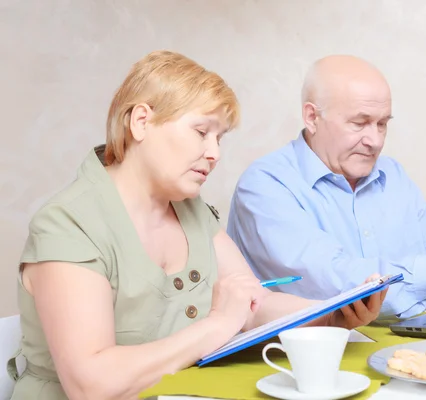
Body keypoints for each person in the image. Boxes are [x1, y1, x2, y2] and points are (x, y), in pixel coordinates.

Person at [7, 51, 386, 400]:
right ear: (142, 122)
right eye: (201, 132)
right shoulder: (67, 224)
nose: (214, 154)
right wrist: (216, 325)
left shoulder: (190, 209)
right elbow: (91, 384)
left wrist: (332, 314)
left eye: (220, 138)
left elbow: (255, 304)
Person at [227, 54, 426, 321]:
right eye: (359, 123)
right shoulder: (265, 186)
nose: (375, 140)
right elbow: (335, 283)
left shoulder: (391, 174)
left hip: (409, 344)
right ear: (312, 117)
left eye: (382, 123)